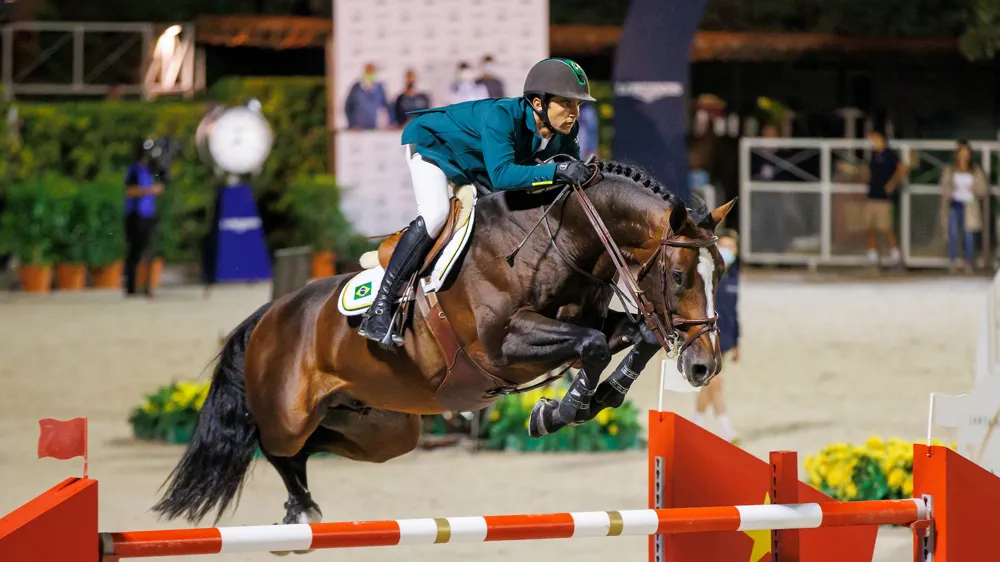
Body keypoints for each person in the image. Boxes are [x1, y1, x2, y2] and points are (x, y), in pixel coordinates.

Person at [358, 57, 596, 345]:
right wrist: (558, 170)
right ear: (538, 103)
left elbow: (567, 172)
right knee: (436, 214)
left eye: (578, 105)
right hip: (434, 147)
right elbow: (502, 176)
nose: (575, 113)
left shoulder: (564, 131)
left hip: (475, 162)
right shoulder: (502, 117)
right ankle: (380, 309)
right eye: (567, 104)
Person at [693, 228, 740, 443]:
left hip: (726, 337)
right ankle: (725, 426)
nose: (728, 250)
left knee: (709, 384)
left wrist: (737, 342)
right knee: (715, 382)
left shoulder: (734, 276)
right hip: (708, 337)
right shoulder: (707, 274)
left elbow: (733, 310)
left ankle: (697, 422)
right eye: (725, 246)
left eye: (732, 247)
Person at [938, 139, 987, 273]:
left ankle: (968, 262)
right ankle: (952, 261)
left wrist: (974, 188)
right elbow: (944, 186)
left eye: (966, 152)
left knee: (968, 235)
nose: (964, 155)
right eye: (961, 152)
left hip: (969, 205)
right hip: (955, 204)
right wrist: (952, 189)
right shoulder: (951, 168)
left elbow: (982, 188)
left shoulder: (975, 169)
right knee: (953, 233)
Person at [124, 139, 164, 297]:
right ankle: (131, 286)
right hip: (135, 215)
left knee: (150, 251)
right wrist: (149, 190)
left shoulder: (152, 170)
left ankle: (148, 286)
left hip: (149, 214)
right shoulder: (134, 170)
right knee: (135, 251)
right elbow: (130, 191)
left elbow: (163, 182)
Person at [863, 128, 907, 267]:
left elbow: (902, 168)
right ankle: (872, 253)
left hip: (883, 198)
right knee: (869, 226)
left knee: (886, 227)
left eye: (873, 138)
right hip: (871, 196)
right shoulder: (873, 156)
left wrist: (892, 184)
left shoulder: (890, 155)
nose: (871, 142)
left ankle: (895, 253)